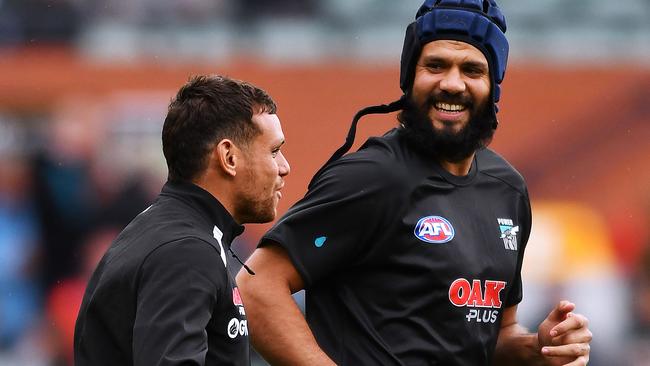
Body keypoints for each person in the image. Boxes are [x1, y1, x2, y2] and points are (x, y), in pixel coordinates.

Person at [237, 1, 592, 365]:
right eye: (435, 65)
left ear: (493, 87)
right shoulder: (370, 177)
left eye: (472, 69)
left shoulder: (508, 191)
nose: (452, 84)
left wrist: (539, 348)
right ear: (409, 77)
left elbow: (497, 334)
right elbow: (257, 287)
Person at [74, 75, 290, 366]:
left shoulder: (170, 228)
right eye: (274, 151)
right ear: (228, 157)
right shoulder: (186, 250)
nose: (284, 167)